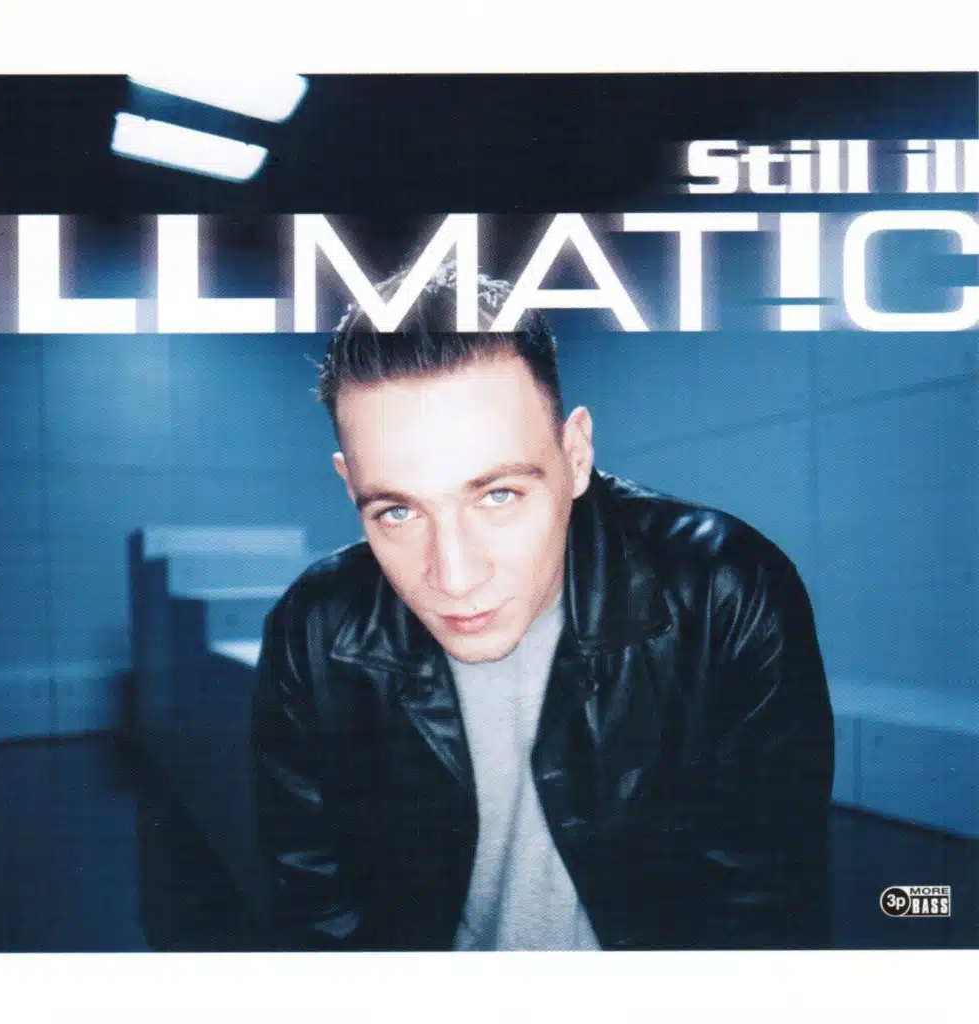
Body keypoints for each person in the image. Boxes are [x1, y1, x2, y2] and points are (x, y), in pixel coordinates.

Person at [250, 262, 835, 952]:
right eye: (398, 511)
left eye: (498, 495)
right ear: (349, 485)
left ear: (576, 454)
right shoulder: (313, 628)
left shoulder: (722, 590)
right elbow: (321, 921)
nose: (455, 577)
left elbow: (760, 918)